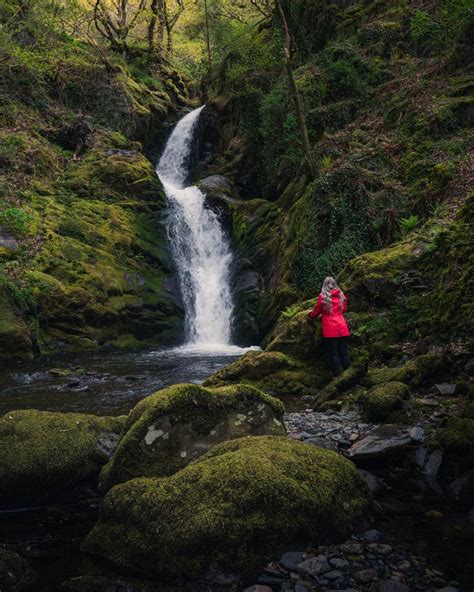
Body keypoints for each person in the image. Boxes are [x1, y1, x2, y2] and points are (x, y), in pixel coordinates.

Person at [308, 276, 350, 377]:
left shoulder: (323, 296)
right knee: (344, 351)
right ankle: (349, 373)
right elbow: (344, 310)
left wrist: (311, 315)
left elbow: (317, 310)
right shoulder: (341, 295)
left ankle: (337, 375)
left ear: (324, 285)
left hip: (330, 328)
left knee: (333, 353)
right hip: (342, 327)